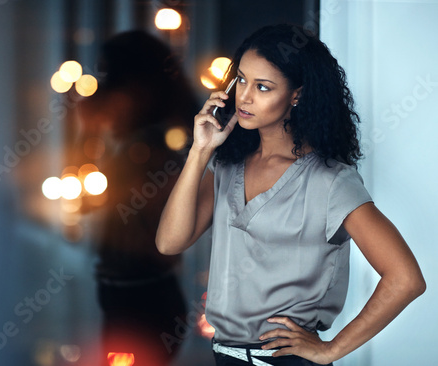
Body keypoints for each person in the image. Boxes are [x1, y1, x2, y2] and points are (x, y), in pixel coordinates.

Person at [156, 24, 426, 366]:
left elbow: (405, 279)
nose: (245, 97)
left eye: (263, 87)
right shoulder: (227, 166)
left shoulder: (331, 181)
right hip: (224, 356)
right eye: (241, 80)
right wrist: (200, 151)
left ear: (296, 95)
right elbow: (169, 242)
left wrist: (330, 350)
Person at [77, 30, 198, 366]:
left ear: (138, 90)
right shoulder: (144, 147)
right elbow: (86, 204)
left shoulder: (149, 152)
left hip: (140, 303)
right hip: (132, 298)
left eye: (108, 78)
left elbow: (138, 232)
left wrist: (88, 136)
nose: (102, 93)